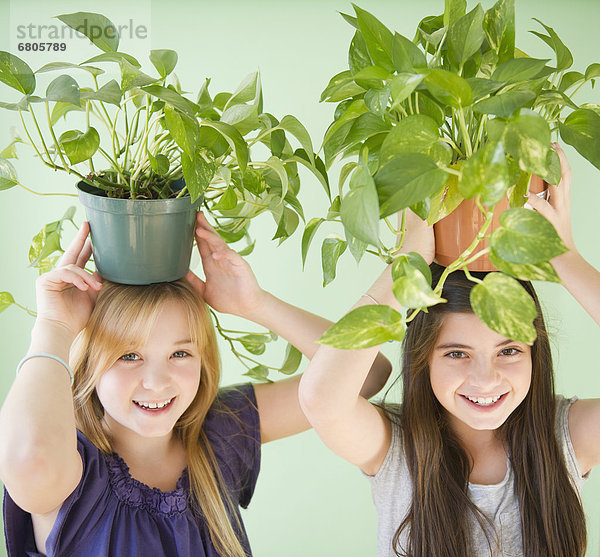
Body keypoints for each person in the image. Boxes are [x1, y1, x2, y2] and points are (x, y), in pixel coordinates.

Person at [0, 211, 391, 557]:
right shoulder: (74, 472)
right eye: (129, 355)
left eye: (180, 354)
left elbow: (367, 373)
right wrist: (53, 329)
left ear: (204, 360)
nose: (156, 382)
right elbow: (28, 460)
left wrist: (256, 304)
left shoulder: (219, 432)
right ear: (91, 364)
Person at [299, 144, 600, 557]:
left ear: (536, 352)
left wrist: (563, 256)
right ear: (423, 358)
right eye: (457, 354)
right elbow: (321, 399)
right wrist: (406, 264)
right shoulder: (397, 450)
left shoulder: (566, 437)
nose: (485, 379)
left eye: (508, 351)